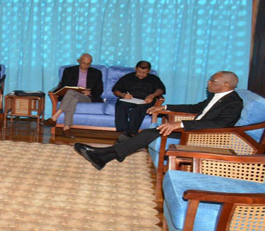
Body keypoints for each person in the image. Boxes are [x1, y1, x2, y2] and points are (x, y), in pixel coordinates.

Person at [74, 71, 243, 170]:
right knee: (150, 133)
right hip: (194, 130)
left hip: (206, 136)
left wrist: (181, 124)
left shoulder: (233, 102)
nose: (208, 82)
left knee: (150, 133)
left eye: (212, 80)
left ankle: (102, 155)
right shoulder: (218, 96)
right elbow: (195, 108)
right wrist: (165, 106)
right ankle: (102, 157)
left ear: (226, 84)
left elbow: (219, 124)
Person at [44, 53, 103, 138]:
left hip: (86, 98)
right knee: (72, 96)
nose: (86, 65)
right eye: (84, 63)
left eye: (88, 64)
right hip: (72, 96)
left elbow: (100, 90)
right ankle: (66, 128)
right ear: (79, 61)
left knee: (70, 93)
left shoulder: (97, 73)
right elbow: (64, 86)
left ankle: (54, 118)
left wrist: (90, 92)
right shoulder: (69, 71)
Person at [112, 60, 165, 139]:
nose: (141, 74)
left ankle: (131, 133)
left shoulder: (154, 79)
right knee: (120, 106)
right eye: (139, 71)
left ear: (149, 71)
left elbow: (160, 90)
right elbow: (115, 90)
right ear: (135, 68)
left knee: (137, 110)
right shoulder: (128, 77)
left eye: (144, 72)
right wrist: (123, 95)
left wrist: (152, 96)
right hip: (130, 99)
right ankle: (124, 132)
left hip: (146, 101)